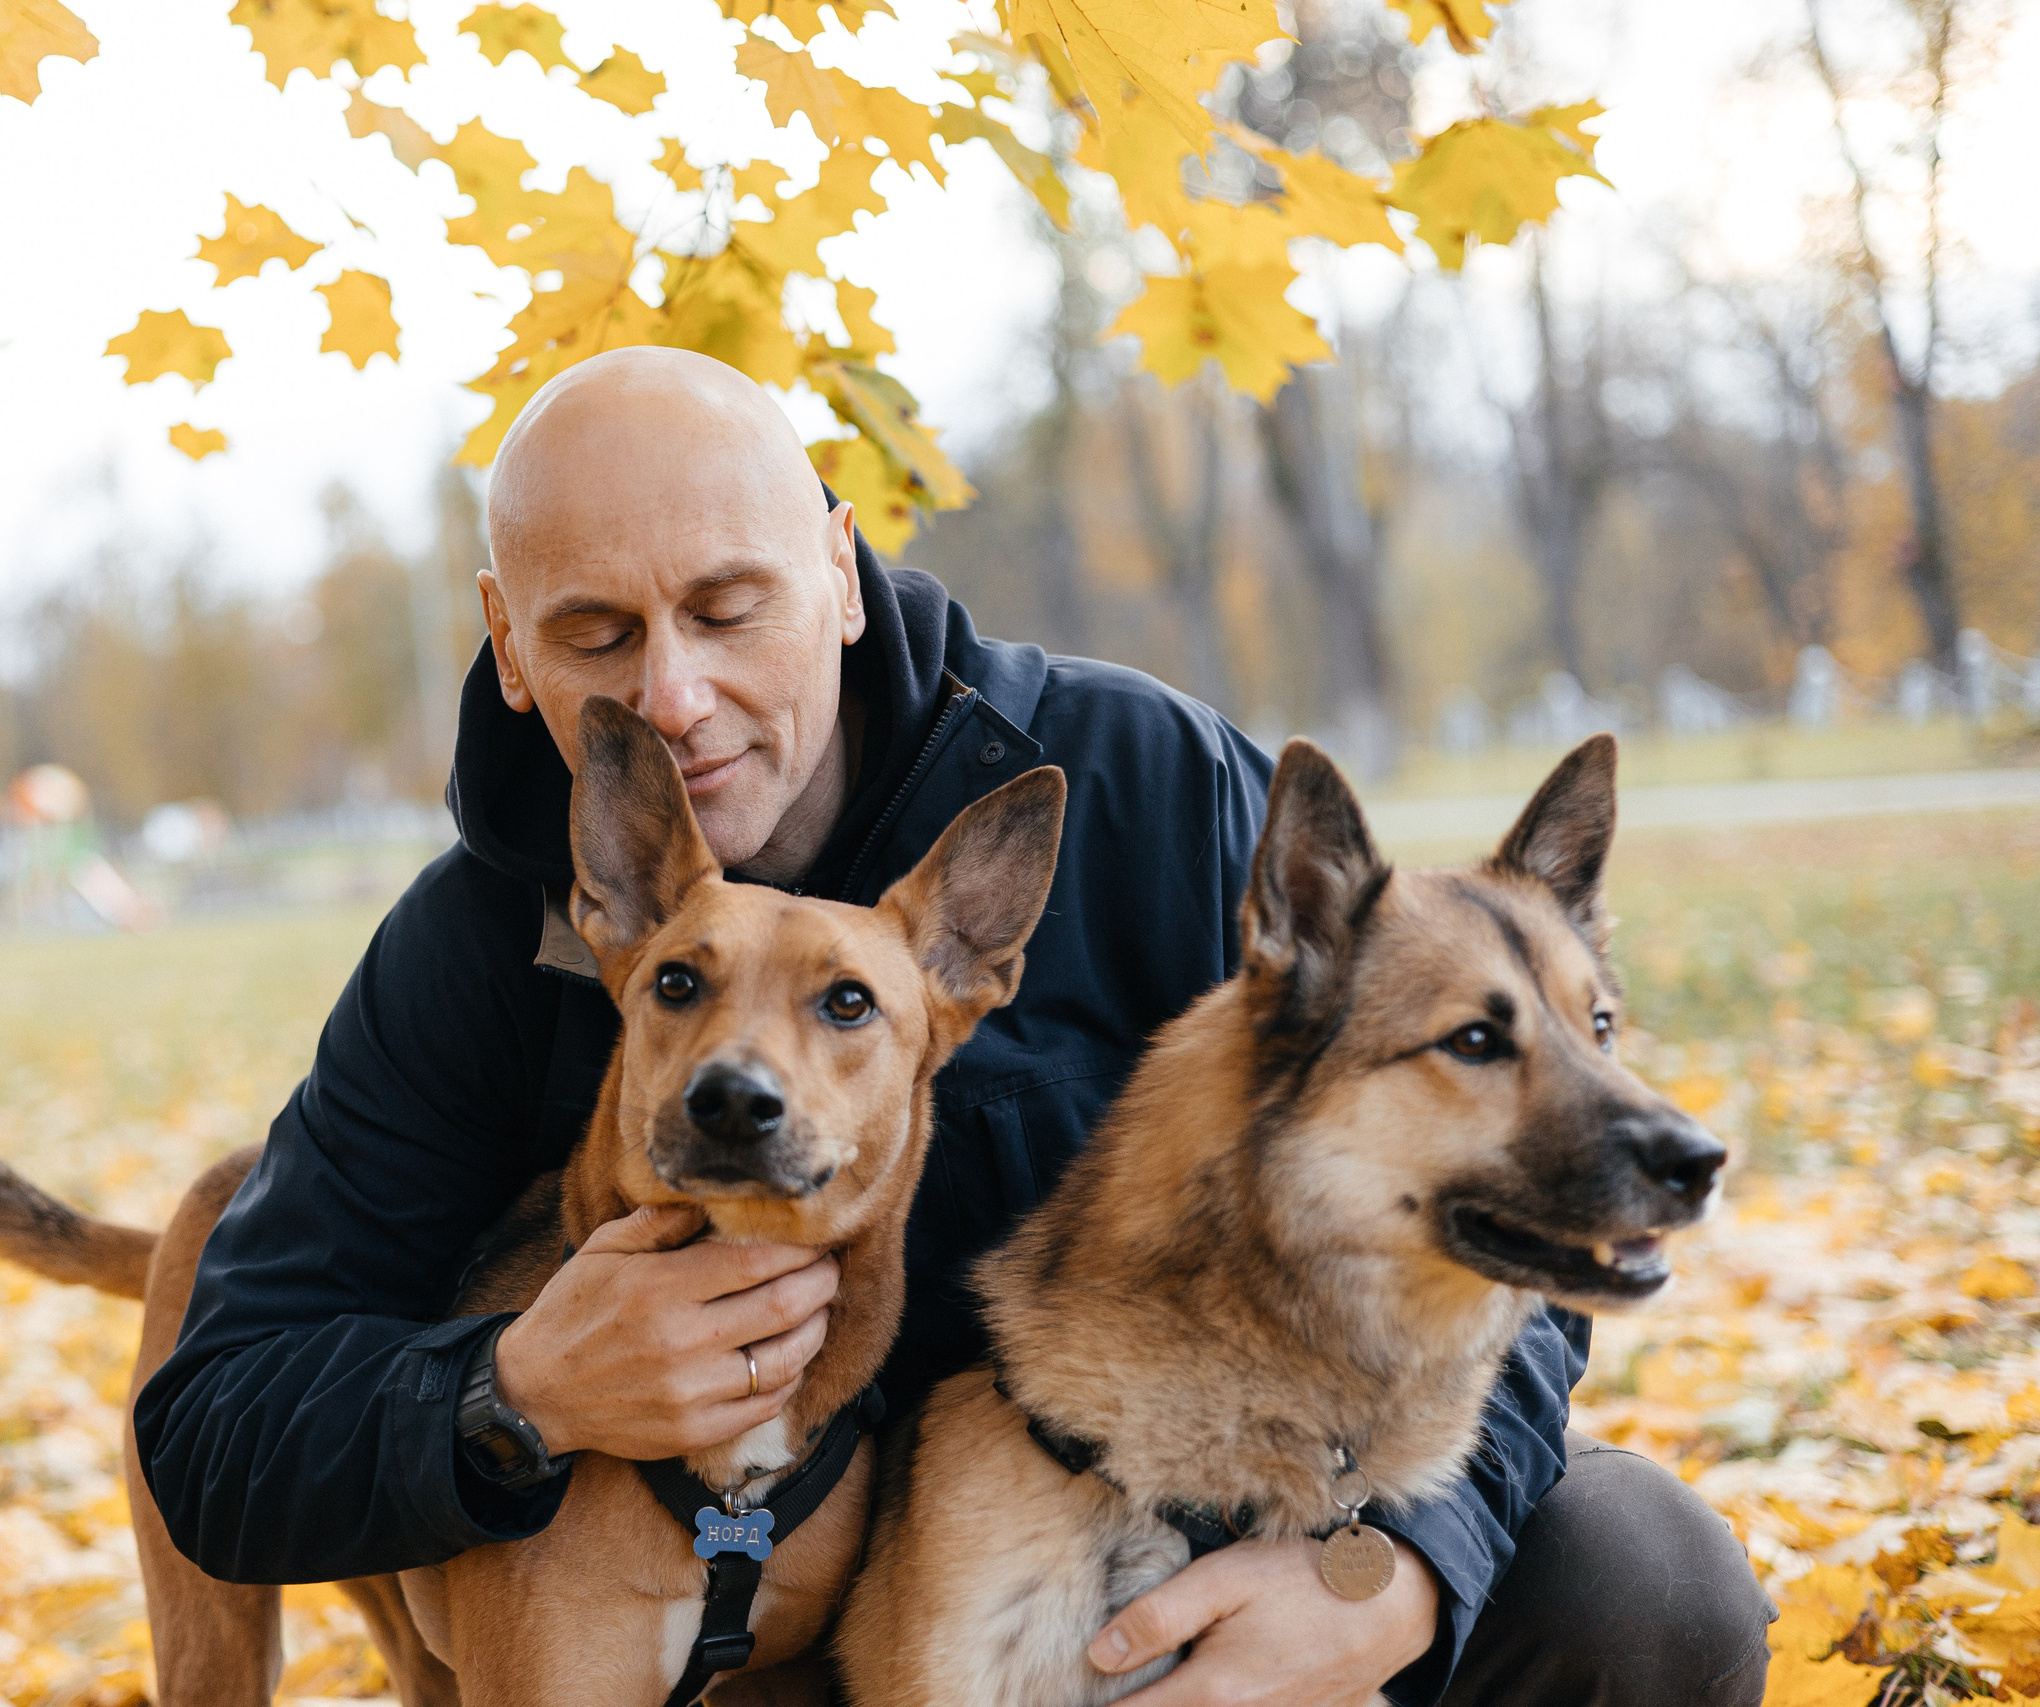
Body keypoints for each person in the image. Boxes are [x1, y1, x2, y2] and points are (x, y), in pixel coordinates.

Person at [133, 347, 1773, 1705]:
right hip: (787, 1639)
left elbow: (1484, 1191)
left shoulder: (1139, 786)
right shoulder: (480, 945)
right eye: (595, 637)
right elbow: (218, 1423)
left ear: (839, 573)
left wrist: (1406, 1568)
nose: (677, 698)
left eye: (728, 606)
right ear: (506, 642)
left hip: (1193, 1525)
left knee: (1646, 1586)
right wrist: (513, 1398)